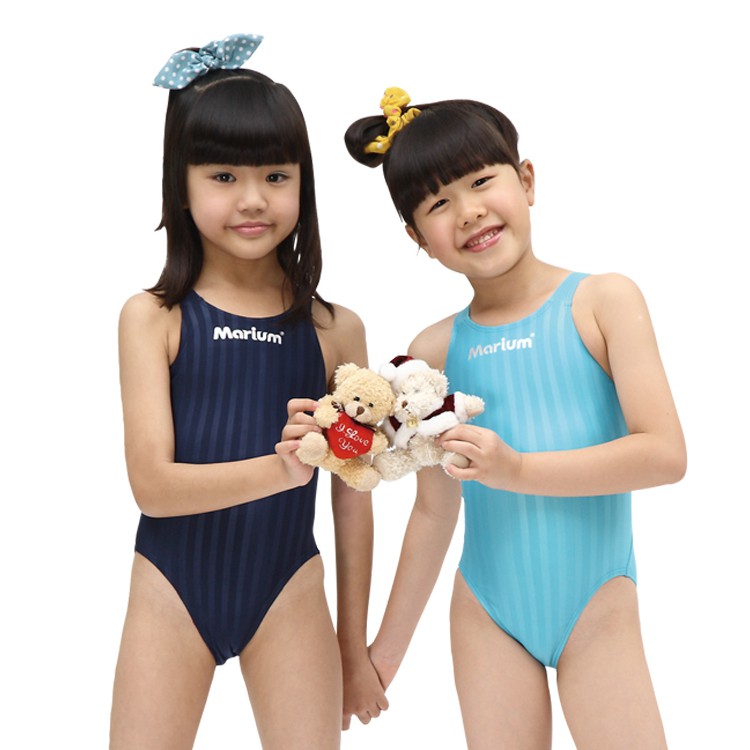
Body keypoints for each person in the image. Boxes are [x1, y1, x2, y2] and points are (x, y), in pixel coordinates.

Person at [344, 89, 687, 749]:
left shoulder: (602, 301)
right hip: (487, 612)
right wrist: (381, 657)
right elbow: (433, 514)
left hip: (598, 605)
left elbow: (664, 454)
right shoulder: (433, 352)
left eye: (481, 181)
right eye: (438, 203)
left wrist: (518, 469)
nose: (468, 211)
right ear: (417, 238)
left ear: (526, 181)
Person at [109, 35, 386, 750]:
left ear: (304, 183)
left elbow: (353, 499)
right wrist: (282, 469)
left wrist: (352, 647)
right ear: (181, 184)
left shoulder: (336, 331)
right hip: (170, 589)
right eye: (224, 176)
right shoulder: (154, 318)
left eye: (276, 175)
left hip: (289, 590)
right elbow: (153, 487)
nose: (254, 199)